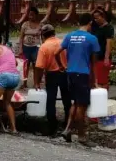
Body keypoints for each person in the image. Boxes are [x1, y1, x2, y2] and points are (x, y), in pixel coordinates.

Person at [55, 13, 100, 147]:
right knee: (82, 106)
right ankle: (82, 136)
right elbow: (93, 63)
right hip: (82, 74)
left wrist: (61, 66)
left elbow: (56, 53)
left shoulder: (69, 35)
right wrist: (94, 81)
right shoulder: (92, 38)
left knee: (75, 103)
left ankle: (67, 130)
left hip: (70, 73)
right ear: (90, 23)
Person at [34, 25, 71, 137]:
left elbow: (39, 67)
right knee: (67, 100)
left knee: (51, 101)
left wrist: (37, 81)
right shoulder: (63, 43)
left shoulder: (44, 47)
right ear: (54, 33)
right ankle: (67, 124)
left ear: (43, 35)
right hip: (65, 73)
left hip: (51, 74)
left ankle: (52, 127)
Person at [19, 6, 42, 89]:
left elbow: (42, 38)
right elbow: (21, 37)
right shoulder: (25, 24)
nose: (30, 16)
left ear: (36, 15)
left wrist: (42, 48)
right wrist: (21, 48)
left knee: (36, 66)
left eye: (32, 14)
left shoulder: (40, 25)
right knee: (26, 66)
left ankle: (36, 83)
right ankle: (24, 83)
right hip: (26, 47)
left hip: (36, 47)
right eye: (29, 14)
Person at [92, 8, 114, 90]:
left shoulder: (109, 28)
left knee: (103, 81)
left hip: (102, 58)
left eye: (97, 17)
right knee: (96, 80)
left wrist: (106, 58)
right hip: (95, 58)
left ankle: (104, 97)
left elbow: (109, 43)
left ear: (103, 17)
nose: (95, 19)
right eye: (94, 18)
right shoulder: (95, 27)